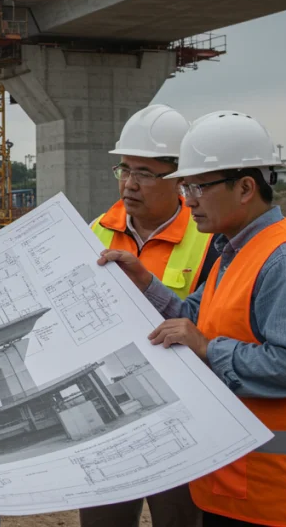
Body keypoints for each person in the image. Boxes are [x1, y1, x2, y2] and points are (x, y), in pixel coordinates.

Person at [99, 110, 286, 527]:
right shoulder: (234, 253)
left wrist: (208, 349)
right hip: (241, 488)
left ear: (247, 187)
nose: (189, 198)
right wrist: (146, 283)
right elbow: (195, 320)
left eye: (198, 185)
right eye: (184, 186)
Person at [80, 105, 218, 527]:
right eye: (124, 169)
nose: (129, 182)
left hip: (184, 415)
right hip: (110, 413)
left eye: (144, 172)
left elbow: (212, 327)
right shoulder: (95, 231)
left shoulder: (210, 238)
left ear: (179, 178)